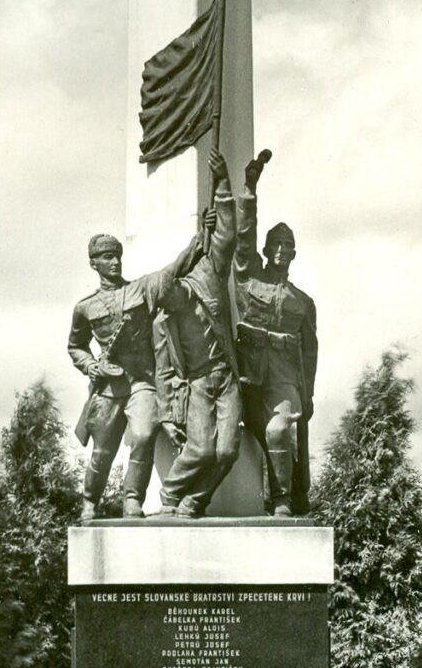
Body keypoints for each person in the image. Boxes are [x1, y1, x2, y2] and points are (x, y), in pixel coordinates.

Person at [68, 226, 202, 522]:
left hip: (142, 381)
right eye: (106, 257)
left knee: (143, 435)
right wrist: (91, 366)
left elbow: (172, 272)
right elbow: (76, 347)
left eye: (117, 256)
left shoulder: (140, 289)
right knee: (102, 450)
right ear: (94, 263)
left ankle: (132, 499)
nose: (114, 262)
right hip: (109, 387)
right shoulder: (85, 308)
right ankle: (90, 500)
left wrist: (199, 241)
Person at [153, 149, 241, 517]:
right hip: (199, 384)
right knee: (202, 449)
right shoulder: (163, 322)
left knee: (227, 450)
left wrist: (222, 183)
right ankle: (170, 496)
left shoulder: (209, 277)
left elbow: (227, 235)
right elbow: (162, 372)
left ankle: (195, 501)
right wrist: (168, 415)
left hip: (226, 376)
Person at [234, 151, 318, 516]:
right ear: (266, 250)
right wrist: (250, 188)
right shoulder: (249, 277)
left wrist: (308, 395)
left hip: (284, 376)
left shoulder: (302, 302)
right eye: (277, 245)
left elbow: (310, 354)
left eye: (288, 247)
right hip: (248, 373)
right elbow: (242, 234)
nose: (282, 251)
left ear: (294, 253)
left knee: (279, 431)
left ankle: (283, 499)